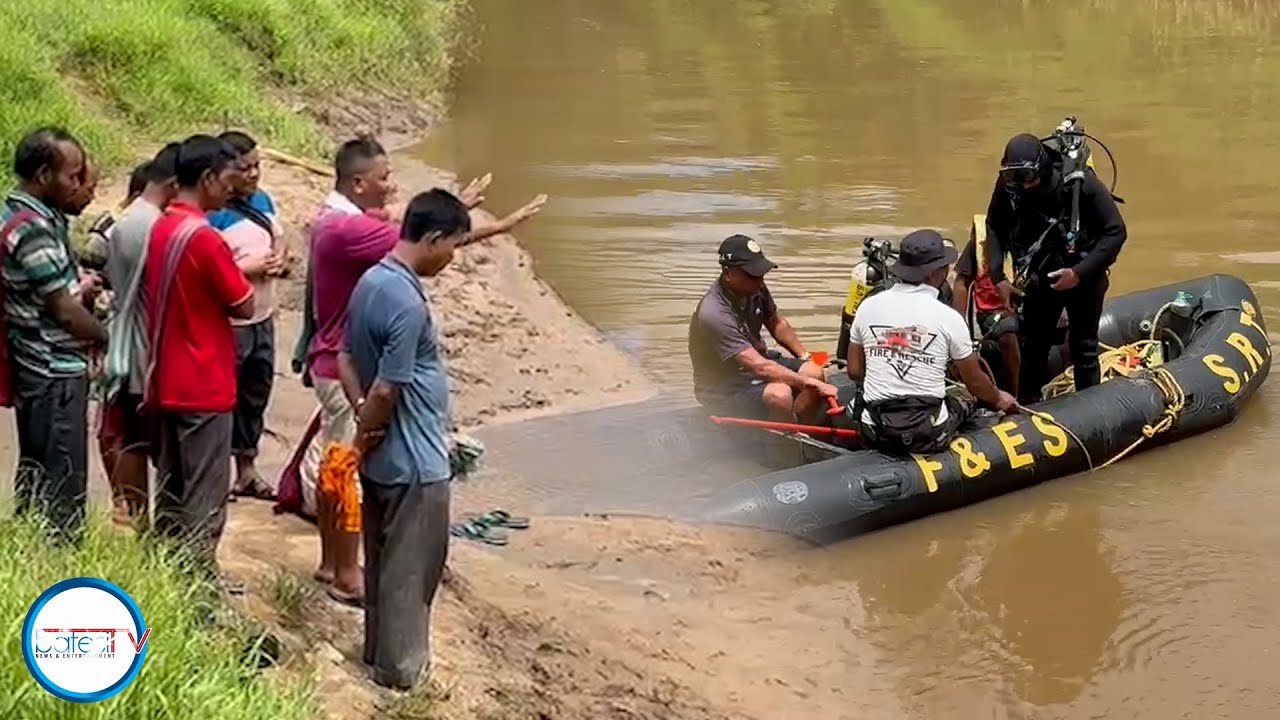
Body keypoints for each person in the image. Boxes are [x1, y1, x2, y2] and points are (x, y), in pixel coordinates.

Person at [288, 136, 543, 605]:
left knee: (334, 467)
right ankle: (347, 572)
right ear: (358, 182)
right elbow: (419, 240)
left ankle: (332, 564)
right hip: (347, 370)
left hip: (334, 359)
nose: (391, 185)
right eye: (384, 178)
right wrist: (494, 224)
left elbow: (413, 228)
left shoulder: (341, 219)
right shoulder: (351, 233)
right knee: (346, 472)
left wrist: (456, 210)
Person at [337, 188, 470, 691]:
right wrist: (366, 430)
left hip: (385, 461)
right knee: (412, 569)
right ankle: (401, 671)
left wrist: (361, 424)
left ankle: (379, 651)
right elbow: (388, 388)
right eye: (453, 246)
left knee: (385, 558)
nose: (453, 258)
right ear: (433, 238)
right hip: (415, 462)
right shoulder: (407, 302)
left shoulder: (371, 280)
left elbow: (347, 359)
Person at [143, 134, 254, 577]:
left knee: (170, 490)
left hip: (167, 377)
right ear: (207, 178)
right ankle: (199, 595)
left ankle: (164, 580)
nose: (232, 189)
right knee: (206, 499)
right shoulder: (206, 239)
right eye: (227, 179)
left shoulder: (161, 225)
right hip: (204, 383)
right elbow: (243, 303)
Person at [2, 126, 107, 538]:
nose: (80, 185)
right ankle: (57, 566)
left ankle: (31, 546)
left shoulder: (24, 215)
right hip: (53, 368)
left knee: (37, 468)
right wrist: (105, 337)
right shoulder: (34, 229)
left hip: (34, 360)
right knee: (61, 480)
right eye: (74, 176)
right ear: (44, 175)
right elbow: (64, 311)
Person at [984, 133, 1127, 404]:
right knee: (1034, 346)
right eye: (1015, 178)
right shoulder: (1009, 186)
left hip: (1082, 276)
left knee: (1084, 347)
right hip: (1040, 277)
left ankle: (1090, 410)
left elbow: (1116, 232)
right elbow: (994, 225)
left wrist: (1079, 273)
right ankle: (1028, 407)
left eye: (1028, 177)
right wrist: (998, 276)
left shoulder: (1080, 185)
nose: (1023, 186)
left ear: (1041, 167)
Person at [846, 229, 1016, 456]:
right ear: (934, 273)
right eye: (944, 268)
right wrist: (1000, 399)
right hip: (926, 434)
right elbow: (974, 382)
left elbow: (855, 371)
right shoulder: (949, 317)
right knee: (966, 400)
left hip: (875, 430)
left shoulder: (867, 307)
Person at [99, 143, 180, 521]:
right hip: (143, 349)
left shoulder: (131, 219)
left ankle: (138, 519)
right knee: (136, 438)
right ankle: (144, 521)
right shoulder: (149, 225)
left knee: (130, 435)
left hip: (132, 345)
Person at [208, 130, 287, 500]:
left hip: (263, 315)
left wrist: (281, 256)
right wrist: (247, 269)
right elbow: (206, 270)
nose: (254, 174)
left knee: (256, 393)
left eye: (258, 165)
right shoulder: (214, 214)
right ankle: (217, 474)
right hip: (230, 323)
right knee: (226, 396)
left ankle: (247, 469)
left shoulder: (264, 200)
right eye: (245, 168)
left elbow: (279, 234)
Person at [688, 234, 836, 422]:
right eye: (752, 275)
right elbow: (760, 367)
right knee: (780, 394)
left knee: (814, 370)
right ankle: (782, 446)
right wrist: (809, 384)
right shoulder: (714, 312)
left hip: (759, 361)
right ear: (729, 274)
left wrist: (805, 356)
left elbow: (776, 322)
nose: (760, 281)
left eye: (761, 274)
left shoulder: (755, 287)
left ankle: (802, 428)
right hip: (724, 383)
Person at [952, 217, 1021, 398]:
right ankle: (1014, 398)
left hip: (1033, 303)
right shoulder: (984, 234)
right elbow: (961, 283)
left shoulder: (1049, 226)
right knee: (1009, 333)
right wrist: (958, 326)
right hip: (995, 311)